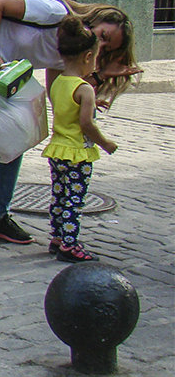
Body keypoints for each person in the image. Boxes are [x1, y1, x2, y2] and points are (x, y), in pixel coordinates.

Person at [0, 0, 139, 247]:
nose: (100, 45)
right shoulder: (55, 12)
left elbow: (60, 92)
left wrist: (98, 81)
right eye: (103, 36)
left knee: (16, 135)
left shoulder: (69, 46)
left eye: (107, 48)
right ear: (96, 19)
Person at [43, 17, 118, 263]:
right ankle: (70, 243)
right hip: (77, 153)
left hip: (57, 151)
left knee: (59, 196)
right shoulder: (85, 88)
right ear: (87, 56)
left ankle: (56, 237)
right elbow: (86, 124)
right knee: (74, 201)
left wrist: (91, 103)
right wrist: (105, 143)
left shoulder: (57, 83)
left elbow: (66, 107)